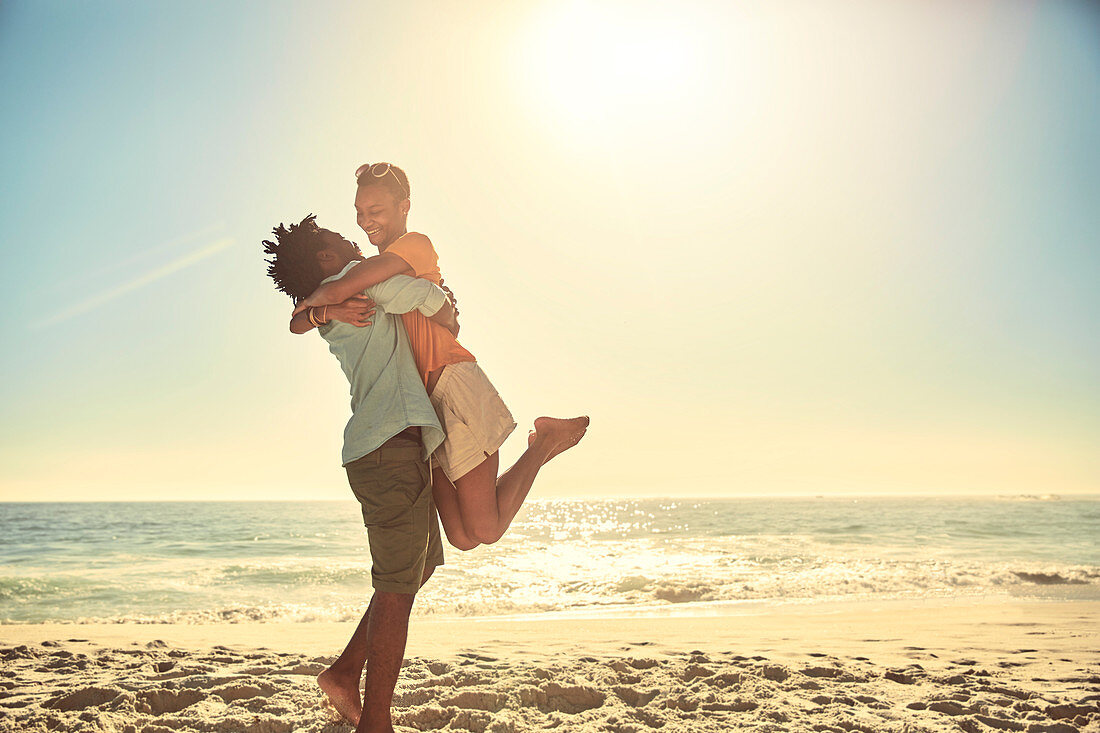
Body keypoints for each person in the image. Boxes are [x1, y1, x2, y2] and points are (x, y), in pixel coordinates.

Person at [293, 162, 589, 552]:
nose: (366, 221)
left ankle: (543, 443)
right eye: (359, 212)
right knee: (462, 537)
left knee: (485, 529)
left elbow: (341, 288)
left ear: (404, 207)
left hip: (452, 380)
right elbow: (307, 319)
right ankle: (543, 444)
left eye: (376, 211)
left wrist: (318, 303)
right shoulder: (374, 270)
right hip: (424, 407)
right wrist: (323, 312)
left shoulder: (414, 245)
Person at [263, 215, 455, 732]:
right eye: (337, 240)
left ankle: (345, 672)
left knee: (418, 570)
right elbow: (408, 293)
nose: (351, 240)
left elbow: (298, 319)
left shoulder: (329, 295)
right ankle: (375, 720)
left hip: (389, 447)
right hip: (388, 446)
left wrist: (317, 305)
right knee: (397, 588)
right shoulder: (353, 278)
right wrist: (446, 306)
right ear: (328, 259)